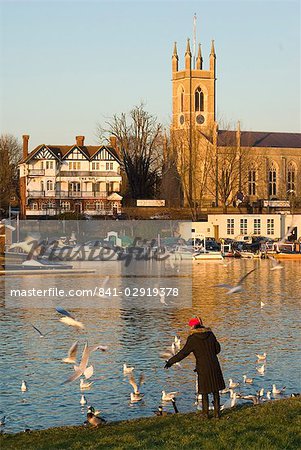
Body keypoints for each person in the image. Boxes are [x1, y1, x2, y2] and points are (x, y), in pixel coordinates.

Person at [164, 317, 225, 419]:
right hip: (214, 365)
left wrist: (170, 361)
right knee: (215, 390)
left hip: (203, 367)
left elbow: (183, 353)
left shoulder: (193, 339)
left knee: (204, 391)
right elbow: (217, 349)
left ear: (193, 326)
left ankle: (205, 414)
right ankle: (217, 415)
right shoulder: (210, 334)